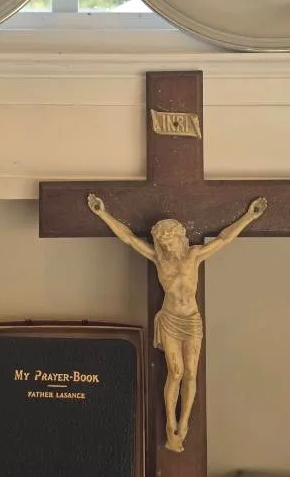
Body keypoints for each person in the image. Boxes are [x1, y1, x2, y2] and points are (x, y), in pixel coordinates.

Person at [87, 194, 268, 452]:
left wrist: (249, 216)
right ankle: (170, 423)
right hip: (169, 319)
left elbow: (224, 239)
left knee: (191, 372)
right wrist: (102, 213)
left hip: (191, 320)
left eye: (170, 240)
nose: (167, 245)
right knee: (176, 372)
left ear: (180, 237)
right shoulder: (158, 258)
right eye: (163, 242)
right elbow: (128, 238)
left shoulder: (194, 255)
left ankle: (183, 425)